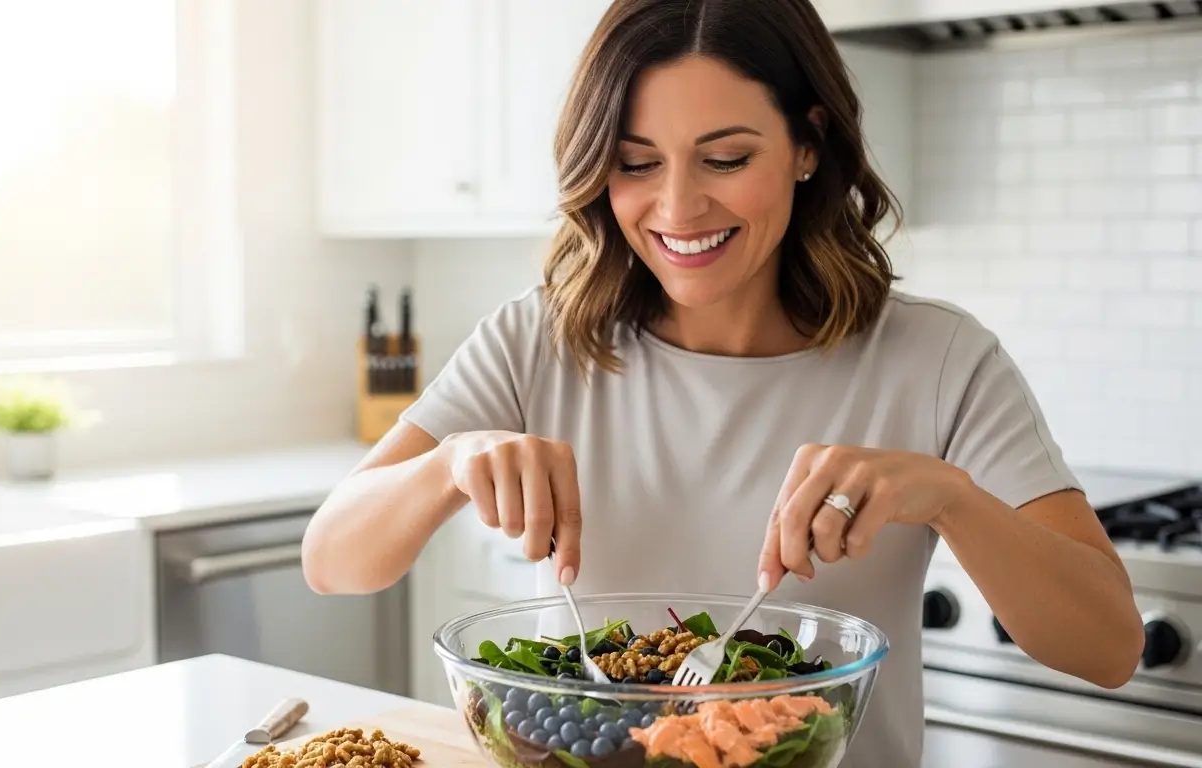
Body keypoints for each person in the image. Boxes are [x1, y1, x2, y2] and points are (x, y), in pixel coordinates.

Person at [301, 0, 1144, 764]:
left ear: (808, 144)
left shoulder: (939, 358)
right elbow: (333, 559)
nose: (677, 207)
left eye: (726, 158)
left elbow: (1109, 648)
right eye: (635, 164)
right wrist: (448, 463)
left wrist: (952, 497)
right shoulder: (540, 338)